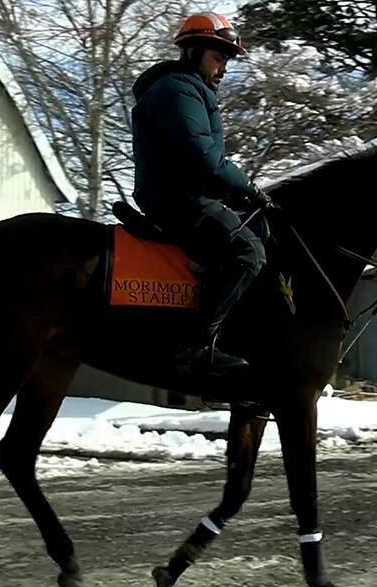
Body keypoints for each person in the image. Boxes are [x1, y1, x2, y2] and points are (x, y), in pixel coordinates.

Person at [130, 11, 274, 376]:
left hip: (186, 194)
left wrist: (238, 194)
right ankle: (195, 348)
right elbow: (203, 156)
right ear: (192, 50)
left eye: (226, 59)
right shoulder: (178, 88)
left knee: (260, 234)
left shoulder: (186, 89)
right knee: (247, 251)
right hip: (178, 199)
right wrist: (250, 188)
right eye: (218, 56)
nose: (222, 67)